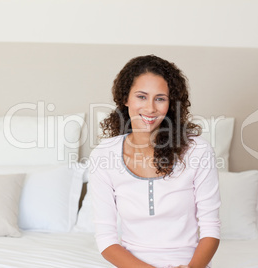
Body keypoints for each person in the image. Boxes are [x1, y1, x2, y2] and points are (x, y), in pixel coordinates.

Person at [89, 55, 220, 268]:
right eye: (141, 96)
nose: (150, 108)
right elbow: (106, 239)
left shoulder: (198, 151)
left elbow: (211, 228)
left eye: (160, 98)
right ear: (125, 98)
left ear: (171, 103)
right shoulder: (103, 156)